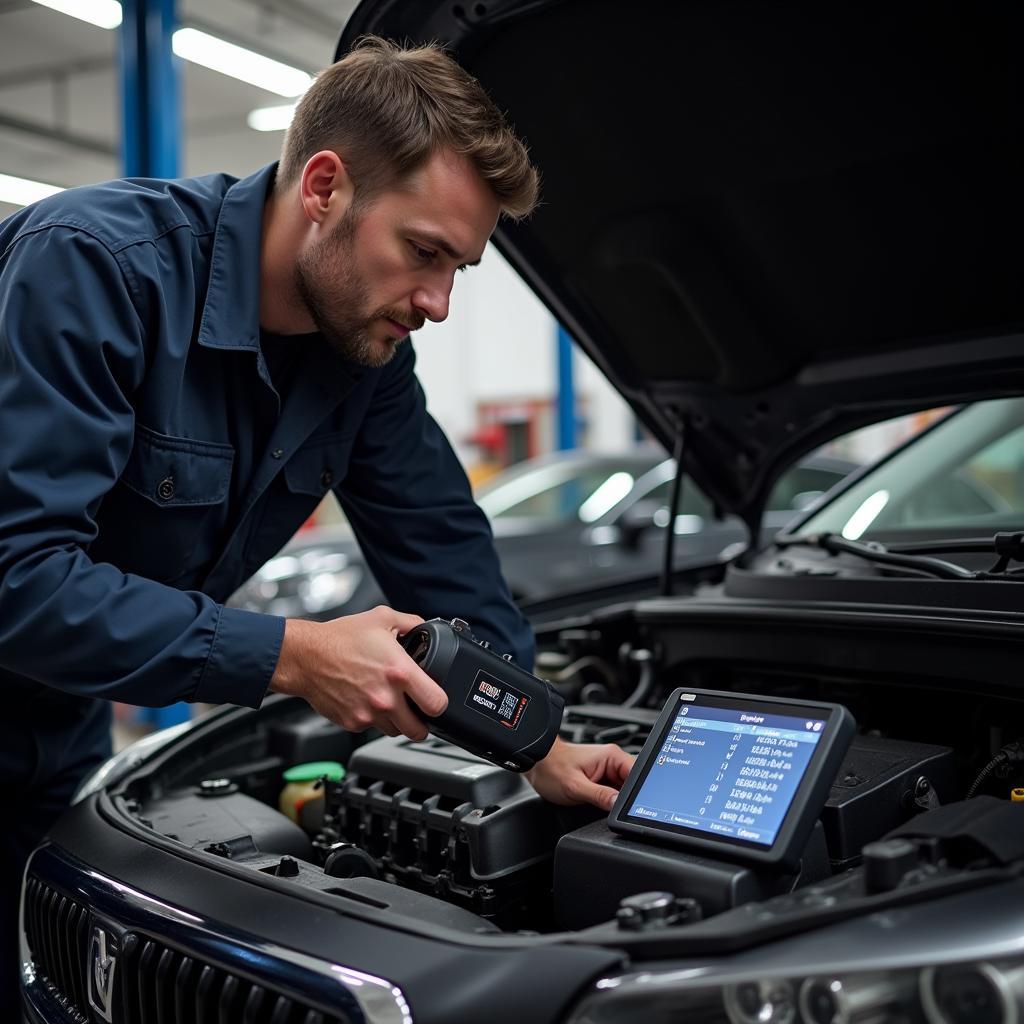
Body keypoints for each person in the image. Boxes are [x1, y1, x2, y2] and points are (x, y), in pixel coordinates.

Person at [0, 35, 634, 1007]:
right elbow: (21, 582)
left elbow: (447, 559)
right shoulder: (90, 268)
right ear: (325, 186)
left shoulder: (363, 365)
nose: (436, 301)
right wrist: (294, 654)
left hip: (57, 732)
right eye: (422, 252)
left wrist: (537, 742)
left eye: (459, 268)